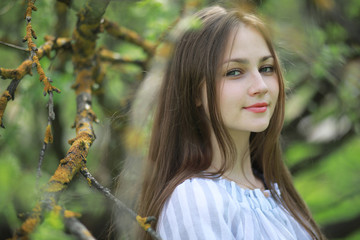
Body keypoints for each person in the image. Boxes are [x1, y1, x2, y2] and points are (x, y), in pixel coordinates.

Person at [137, 5, 326, 240]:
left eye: (266, 68)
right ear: (194, 92)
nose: (261, 86)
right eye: (234, 72)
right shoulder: (195, 199)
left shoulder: (277, 193)